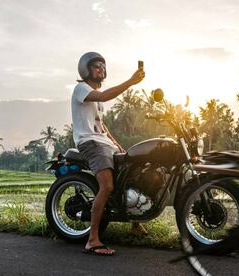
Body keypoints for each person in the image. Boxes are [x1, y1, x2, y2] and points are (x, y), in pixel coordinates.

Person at [72, 52, 145, 256]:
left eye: (103, 66)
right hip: (89, 143)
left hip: (103, 143)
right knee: (108, 185)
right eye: (96, 66)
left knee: (132, 172)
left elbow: (101, 126)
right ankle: (92, 240)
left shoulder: (97, 100)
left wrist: (119, 146)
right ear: (86, 69)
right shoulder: (81, 89)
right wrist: (131, 81)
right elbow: (104, 96)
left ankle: (136, 223)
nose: (101, 69)